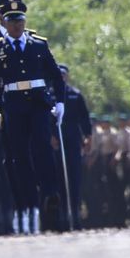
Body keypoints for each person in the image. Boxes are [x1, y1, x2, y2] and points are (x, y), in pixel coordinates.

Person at [0, 0, 65, 235]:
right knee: (19, 157)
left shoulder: (39, 45)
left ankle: (50, 192)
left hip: (39, 103)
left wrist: (60, 102)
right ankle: (28, 199)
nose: (17, 25)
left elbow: (55, 76)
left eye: (20, 20)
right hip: (14, 106)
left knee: (42, 146)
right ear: (5, 23)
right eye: (12, 21)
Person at [53, 64, 91, 230]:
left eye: (63, 75)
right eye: (59, 74)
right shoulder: (49, 95)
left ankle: (75, 216)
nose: (61, 77)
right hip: (56, 142)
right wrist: (49, 136)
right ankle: (62, 218)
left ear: (67, 76)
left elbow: (84, 118)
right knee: (59, 181)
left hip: (73, 141)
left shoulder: (75, 95)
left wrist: (88, 136)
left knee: (74, 179)